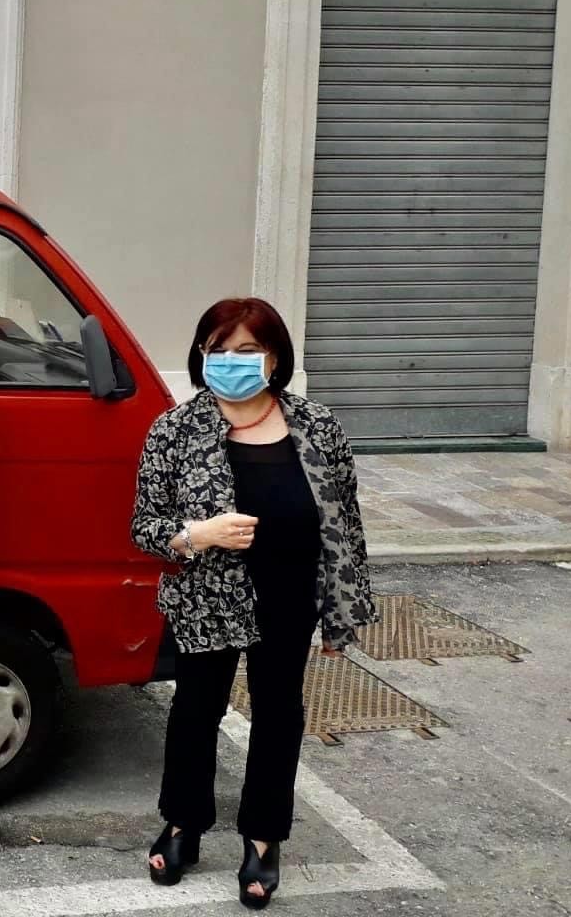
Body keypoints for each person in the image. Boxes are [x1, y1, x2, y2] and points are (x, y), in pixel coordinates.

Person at [131, 297, 376, 910]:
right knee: (195, 711)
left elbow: (343, 524)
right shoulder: (176, 429)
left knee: (278, 716)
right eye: (218, 350)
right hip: (205, 595)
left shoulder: (316, 426)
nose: (231, 361)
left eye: (247, 350)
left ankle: (263, 840)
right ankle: (183, 825)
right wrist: (198, 534)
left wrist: (342, 610)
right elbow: (144, 525)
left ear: (275, 358)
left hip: (288, 592)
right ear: (200, 356)